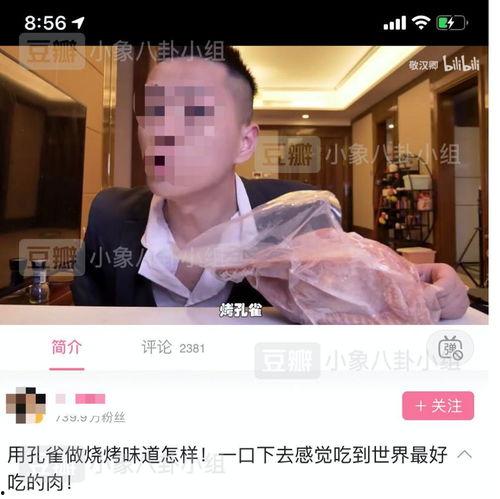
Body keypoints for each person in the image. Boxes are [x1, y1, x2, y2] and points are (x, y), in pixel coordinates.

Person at [71, 46, 469, 320]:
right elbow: (87, 343)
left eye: (193, 113)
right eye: (155, 111)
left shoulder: (301, 214)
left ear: (244, 142)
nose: (163, 131)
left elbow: (364, 303)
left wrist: (438, 295)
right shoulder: (109, 217)